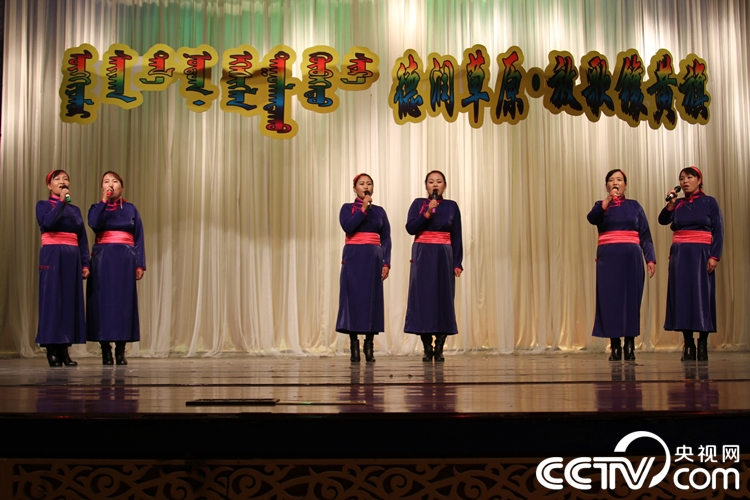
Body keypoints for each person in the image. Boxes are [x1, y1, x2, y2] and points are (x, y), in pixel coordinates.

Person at [587, 169, 656, 361]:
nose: (615, 183)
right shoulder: (601, 206)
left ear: (625, 185)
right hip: (608, 259)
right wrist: (607, 201)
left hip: (631, 259)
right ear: (606, 185)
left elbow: (645, 235)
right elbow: (591, 218)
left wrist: (650, 259)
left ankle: (630, 345)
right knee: (610, 301)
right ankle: (615, 345)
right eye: (611, 180)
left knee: (631, 301)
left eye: (619, 180)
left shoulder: (635, 206)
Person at [659, 166, 723, 361]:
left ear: (699, 180)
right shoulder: (677, 204)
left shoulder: (709, 202)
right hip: (680, 255)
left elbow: (719, 230)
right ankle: (688, 343)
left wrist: (714, 256)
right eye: (681, 178)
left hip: (702, 253)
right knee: (682, 297)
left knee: (702, 296)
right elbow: (662, 220)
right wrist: (670, 204)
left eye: (689, 177)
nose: (685, 181)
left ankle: (702, 343)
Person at [87, 171, 146, 365]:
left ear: (122, 187)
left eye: (114, 181)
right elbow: (94, 224)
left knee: (123, 304)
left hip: (125, 261)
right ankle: (105, 349)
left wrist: (140, 263)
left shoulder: (130, 209)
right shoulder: (96, 208)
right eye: (106, 181)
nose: (110, 184)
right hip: (103, 260)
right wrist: (104, 202)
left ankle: (121, 349)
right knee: (102, 303)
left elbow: (139, 237)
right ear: (102, 187)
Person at [404, 170, 463, 362]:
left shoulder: (452, 206)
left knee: (444, 298)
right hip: (422, 254)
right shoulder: (418, 204)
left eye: (439, 181)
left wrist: (457, 262)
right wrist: (427, 212)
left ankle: (440, 346)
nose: (435, 185)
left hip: (444, 255)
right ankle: (427, 346)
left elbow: (457, 235)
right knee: (423, 299)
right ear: (426, 186)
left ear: (445, 186)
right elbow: (410, 228)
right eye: (431, 182)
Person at [36, 170, 90, 367]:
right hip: (52, 255)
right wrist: (60, 202)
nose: (62, 181)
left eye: (65, 178)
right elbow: (47, 222)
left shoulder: (75, 210)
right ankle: (51, 349)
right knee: (52, 302)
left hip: (71, 258)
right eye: (57, 179)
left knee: (69, 302)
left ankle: (65, 349)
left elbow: (82, 237)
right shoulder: (43, 205)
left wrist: (85, 262)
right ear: (49, 186)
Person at [336, 174, 392, 362]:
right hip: (353, 258)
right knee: (352, 299)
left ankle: (369, 345)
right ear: (355, 189)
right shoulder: (347, 208)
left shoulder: (380, 211)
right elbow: (348, 227)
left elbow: (386, 238)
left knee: (372, 300)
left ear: (373, 188)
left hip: (373, 260)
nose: (365, 186)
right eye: (361, 184)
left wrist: (386, 262)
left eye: (369, 183)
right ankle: (354, 345)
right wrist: (363, 209)